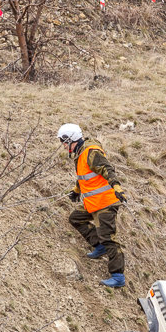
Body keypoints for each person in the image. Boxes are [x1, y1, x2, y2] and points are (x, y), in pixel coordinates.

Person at [58, 123, 127, 288]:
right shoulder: (81, 154)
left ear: (71, 139)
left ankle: (118, 276)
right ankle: (99, 246)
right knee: (75, 218)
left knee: (109, 238)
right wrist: (76, 191)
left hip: (106, 203)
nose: (63, 145)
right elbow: (84, 177)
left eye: (64, 142)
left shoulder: (91, 152)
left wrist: (117, 187)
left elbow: (107, 169)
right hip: (93, 203)